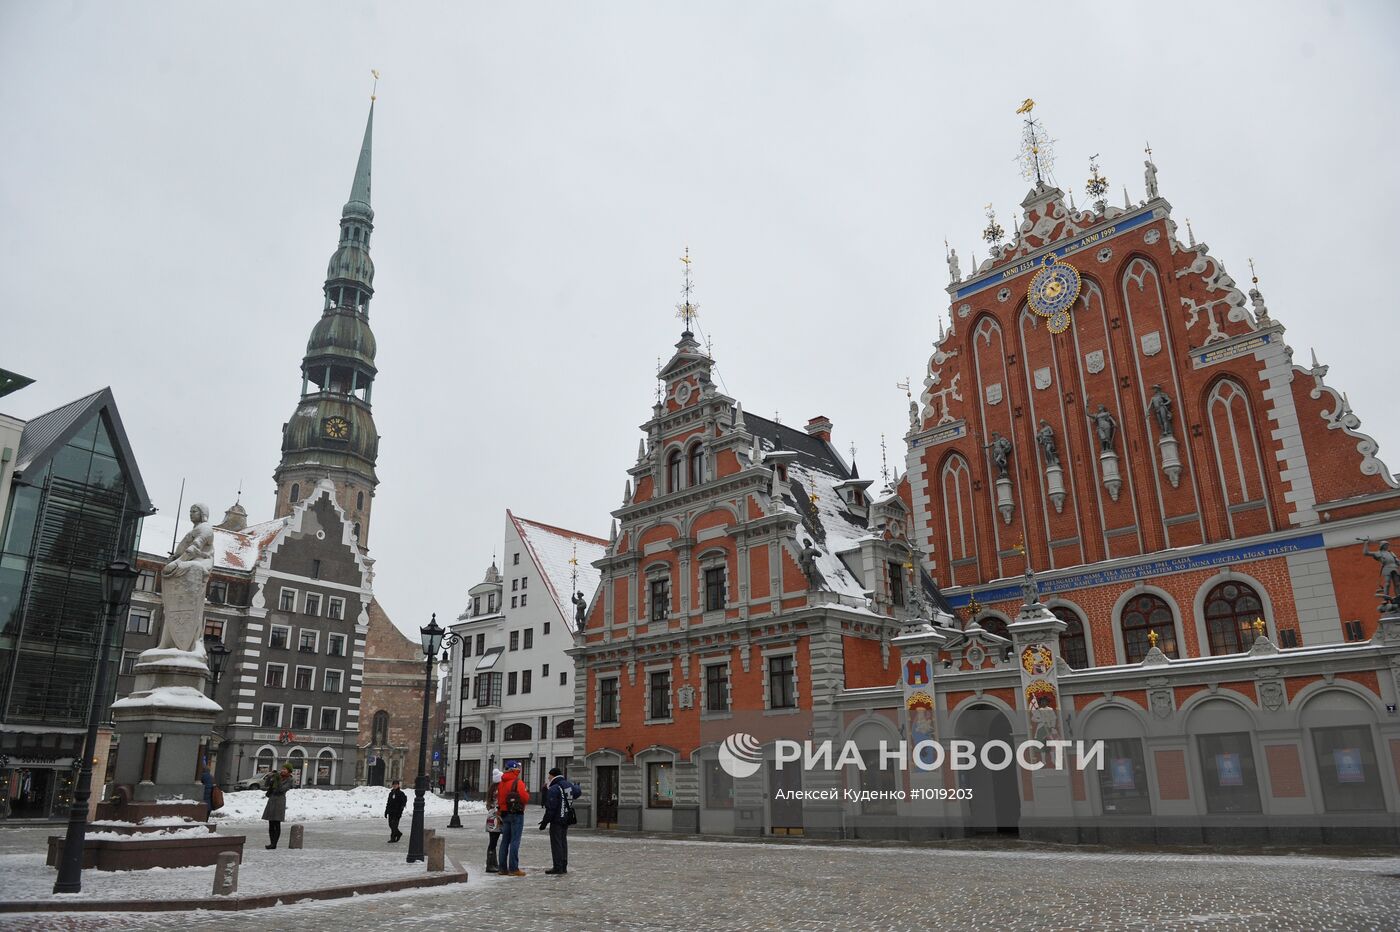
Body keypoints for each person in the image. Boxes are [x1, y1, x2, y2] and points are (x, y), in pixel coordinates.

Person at [539, 767, 582, 875]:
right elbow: (577, 792)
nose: (548, 778)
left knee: (556, 843)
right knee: (563, 842)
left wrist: (544, 822)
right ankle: (563, 866)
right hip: (566, 818)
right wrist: (577, 785)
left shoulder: (554, 788)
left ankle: (557, 867)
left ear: (553, 775)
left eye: (549, 776)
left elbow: (551, 808)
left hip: (557, 819)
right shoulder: (568, 785)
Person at [495, 760, 530, 876]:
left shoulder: (501, 783)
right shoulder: (518, 782)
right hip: (516, 814)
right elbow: (525, 798)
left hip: (504, 814)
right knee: (515, 840)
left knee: (505, 841)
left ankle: (502, 868)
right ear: (514, 770)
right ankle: (514, 868)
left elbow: (499, 799)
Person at [261, 764, 295, 849]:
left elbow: (281, 790)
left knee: (277, 823)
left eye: (285, 769)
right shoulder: (277, 777)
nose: (283, 770)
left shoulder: (289, 780)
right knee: (271, 823)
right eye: (282, 768)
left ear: (289, 771)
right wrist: (270, 776)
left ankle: (274, 844)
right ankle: (271, 842)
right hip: (272, 800)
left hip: (279, 801)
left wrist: (278, 779)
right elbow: (266, 785)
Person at [485, 767, 503, 873]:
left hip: (491, 816)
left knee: (492, 841)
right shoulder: (498, 790)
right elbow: (498, 805)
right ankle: (490, 865)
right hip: (496, 817)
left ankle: (492, 863)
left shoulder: (491, 788)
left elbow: (489, 804)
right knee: (493, 841)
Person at [384, 779, 407, 843]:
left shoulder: (401, 793)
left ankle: (393, 838)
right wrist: (386, 811)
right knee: (390, 825)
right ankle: (399, 833)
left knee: (394, 825)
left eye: (396, 785)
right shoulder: (391, 793)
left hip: (397, 812)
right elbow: (388, 803)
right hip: (391, 812)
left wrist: (401, 810)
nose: (394, 786)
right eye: (393, 785)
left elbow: (403, 802)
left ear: (398, 785)